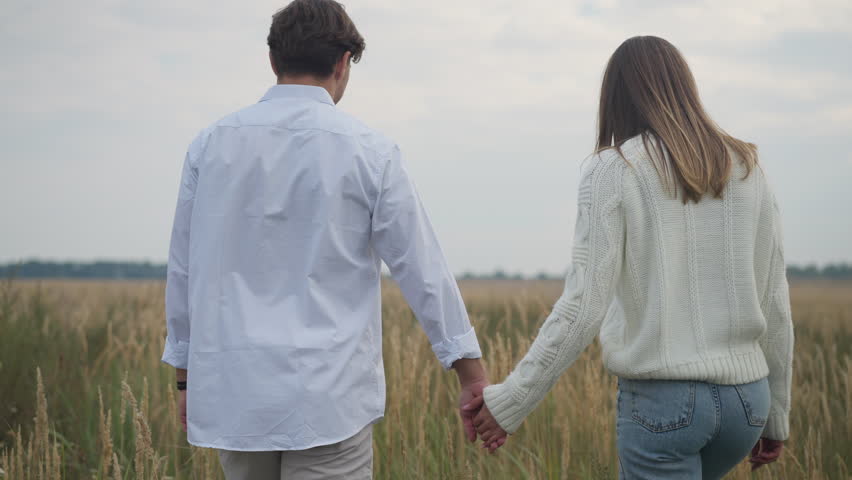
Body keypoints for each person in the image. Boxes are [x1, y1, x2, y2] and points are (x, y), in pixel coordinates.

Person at [160, 1, 487, 478]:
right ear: (342, 63)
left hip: (234, 393)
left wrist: (186, 381)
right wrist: (471, 375)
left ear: (273, 62)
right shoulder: (370, 150)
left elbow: (184, 269)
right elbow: (422, 269)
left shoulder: (210, 145)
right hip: (329, 399)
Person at [466, 36, 794, 479]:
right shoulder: (747, 167)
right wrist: (776, 412)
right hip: (747, 403)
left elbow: (583, 307)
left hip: (667, 408)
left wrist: (512, 400)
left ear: (616, 97)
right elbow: (776, 302)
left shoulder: (615, 169)